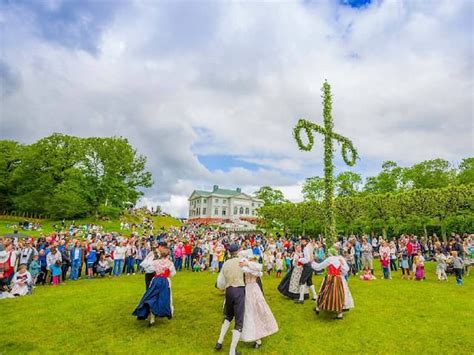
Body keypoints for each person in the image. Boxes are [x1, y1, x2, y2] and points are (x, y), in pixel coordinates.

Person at [239, 250, 278, 349]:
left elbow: (259, 270)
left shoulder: (252, 266)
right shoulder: (245, 267)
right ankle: (256, 335)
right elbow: (247, 269)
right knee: (250, 311)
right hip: (248, 288)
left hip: (254, 288)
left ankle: (259, 335)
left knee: (257, 310)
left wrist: (248, 264)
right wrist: (246, 264)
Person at [132, 247, 176, 326]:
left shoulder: (155, 262)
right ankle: (166, 312)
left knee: (152, 297)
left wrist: (148, 257)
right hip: (164, 281)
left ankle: (152, 319)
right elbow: (172, 273)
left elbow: (146, 267)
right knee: (164, 298)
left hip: (155, 280)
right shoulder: (170, 263)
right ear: (168, 255)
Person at [215, 244, 245, 355]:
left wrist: (224, 287)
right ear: (238, 251)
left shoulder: (226, 263)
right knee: (239, 322)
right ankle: (232, 351)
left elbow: (220, 283)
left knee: (228, 316)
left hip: (229, 291)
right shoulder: (242, 261)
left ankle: (220, 341)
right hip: (239, 290)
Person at [311, 247, 349, 320]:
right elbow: (345, 270)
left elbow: (318, 267)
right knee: (338, 295)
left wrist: (312, 262)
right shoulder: (339, 258)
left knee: (324, 293)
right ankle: (339, 314)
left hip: (330, 278)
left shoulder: (329, 259)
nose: (327, 253)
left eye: (328, 252)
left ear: (331, 253)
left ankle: (318, 308)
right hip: (338, 279)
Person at [294, 237, 317, 304]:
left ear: (306, 241)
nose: (301, 241)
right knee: (309, 281)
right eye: (301, 240)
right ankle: (315, 296)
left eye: (303, 240)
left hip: (307, 266)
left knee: (302, 281)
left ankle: (301, 299)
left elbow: (307, 259)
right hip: (310, 266)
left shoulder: (306, 248)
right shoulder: (309, 246)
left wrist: (299, 260)